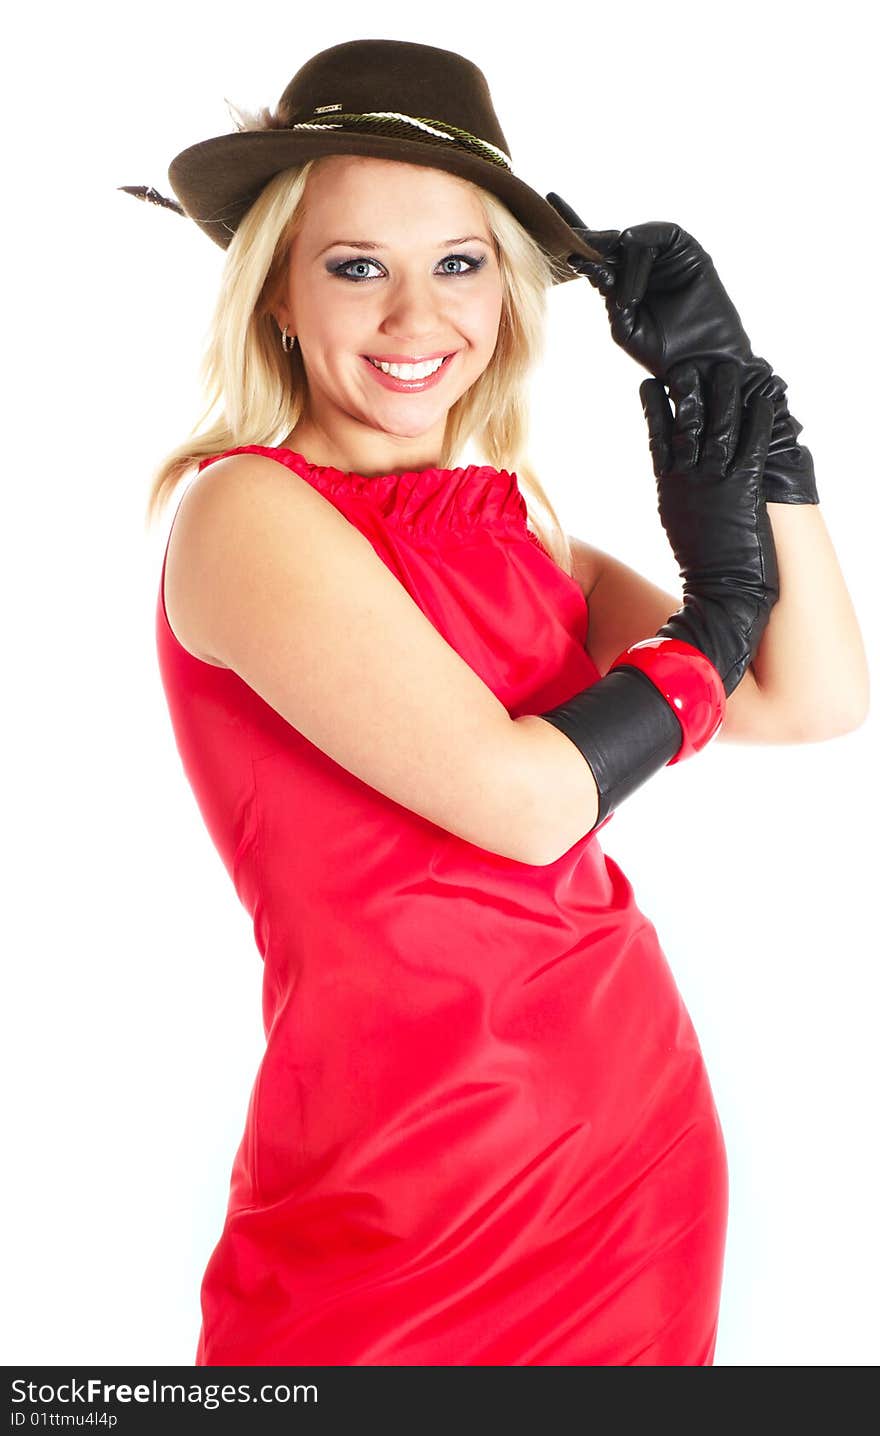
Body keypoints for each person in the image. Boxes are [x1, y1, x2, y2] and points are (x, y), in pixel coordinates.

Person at [125, 38, 867, 1366]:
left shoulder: (516, 515)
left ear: (510, 293)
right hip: (388, 1197)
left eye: (458, 263)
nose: (417, 320)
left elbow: (811, 696)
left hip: (625, 1153)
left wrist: (749, 415)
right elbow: (523, 804)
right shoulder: (245, 512)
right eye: (359, 267)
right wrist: (710, 620)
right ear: (281, 296)